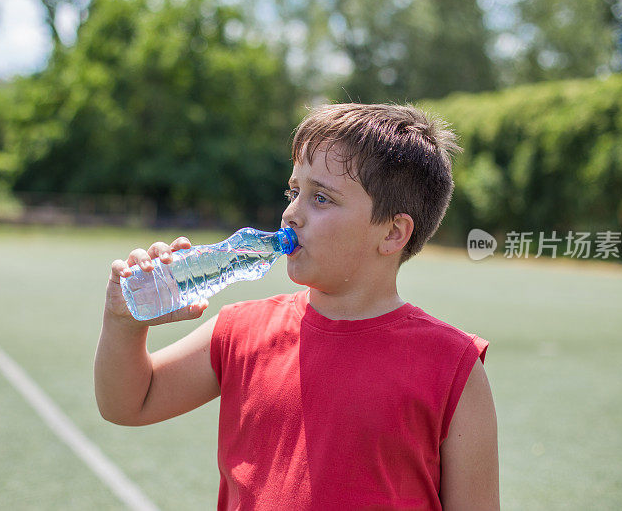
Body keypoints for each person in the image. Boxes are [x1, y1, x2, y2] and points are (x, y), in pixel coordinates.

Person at [95, 103, 500, 510]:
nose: (291, 213)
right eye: (294, 192)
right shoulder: (241, 329)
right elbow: (130, 402)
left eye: (321, 198)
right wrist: (124, 322)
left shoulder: (451, 366)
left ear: (393, 232)